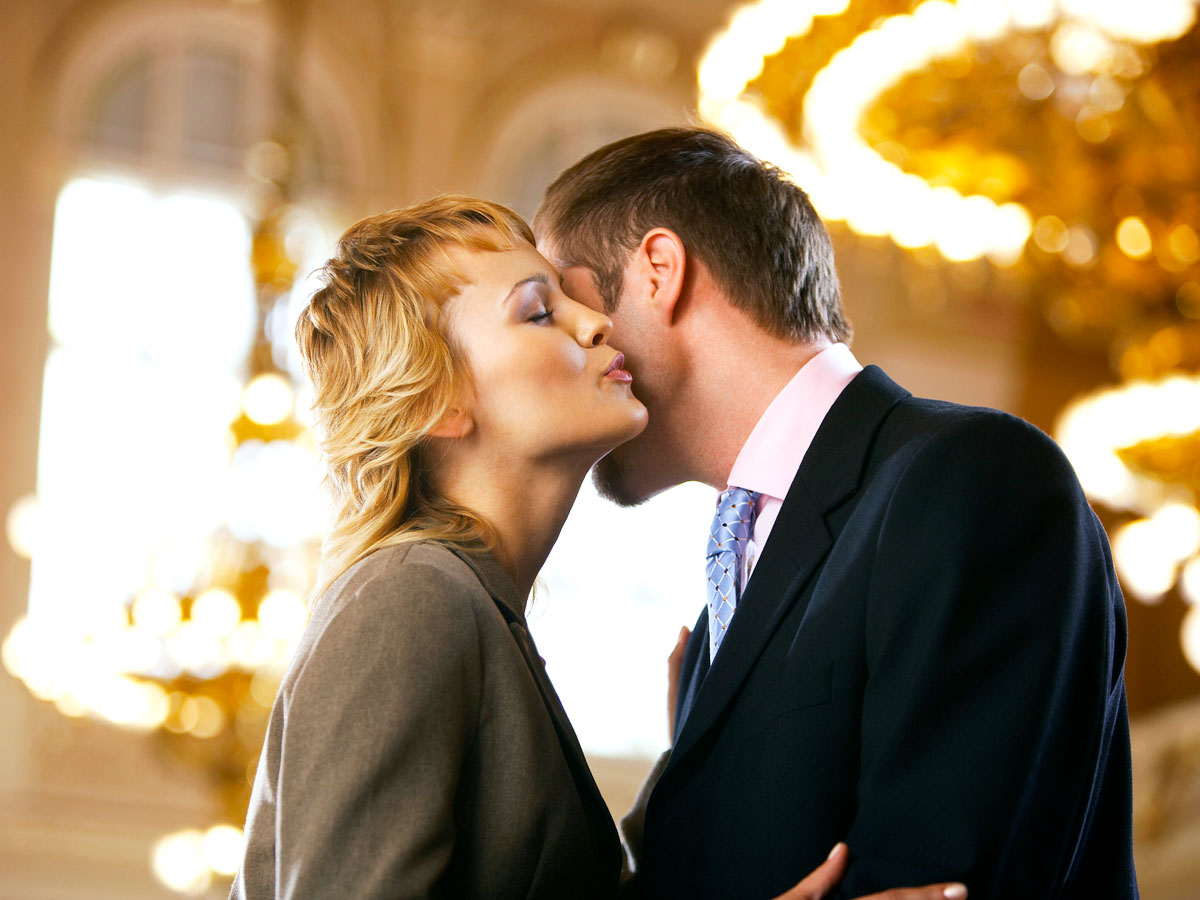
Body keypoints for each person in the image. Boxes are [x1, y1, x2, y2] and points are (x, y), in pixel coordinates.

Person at [229, 195, 966, 900]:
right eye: (539, 311)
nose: (596, 321)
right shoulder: (409, 597)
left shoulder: (476, 608)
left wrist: (699, 741)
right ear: (435, 402)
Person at [533, 127, 1138, 900]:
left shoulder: (974, 478)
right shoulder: (727, 599)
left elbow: (943, 880)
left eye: (566, 301)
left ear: (659, 271)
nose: (568, 350)